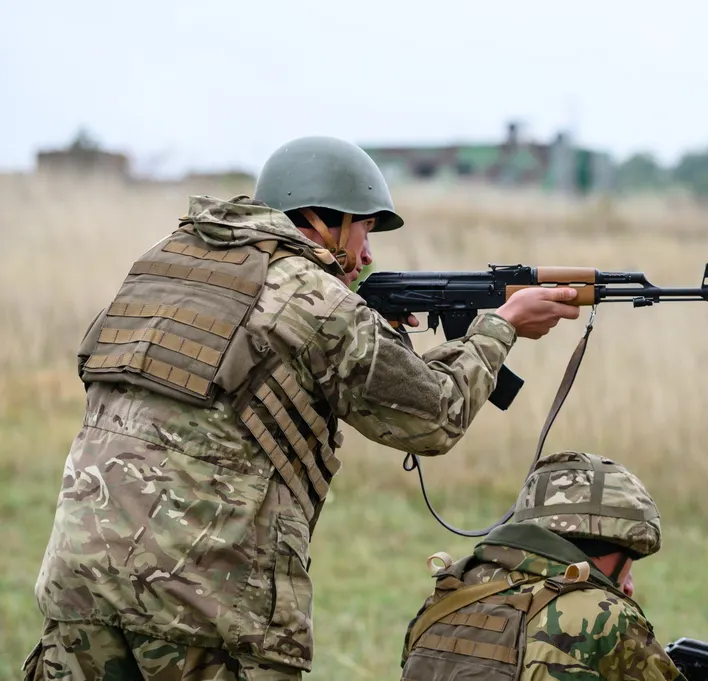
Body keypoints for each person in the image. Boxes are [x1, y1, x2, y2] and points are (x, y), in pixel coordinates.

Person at [22, 136, 581, 681]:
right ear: (321, 218)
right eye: (363, 229)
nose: (367, 254)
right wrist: (500, 327)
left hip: (80, 583)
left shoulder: (160, 264)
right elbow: (434, 417)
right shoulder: (313, 297)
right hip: (203, 601)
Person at [399, 450, 683, 681]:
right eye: (630, 558)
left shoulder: (445, 599)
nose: (630, 584)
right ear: (605, 549)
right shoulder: (605, 618)